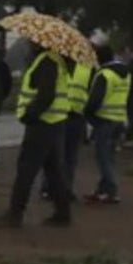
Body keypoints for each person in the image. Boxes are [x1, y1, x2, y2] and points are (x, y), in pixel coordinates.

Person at [0, 42, 73, 228]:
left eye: (33, 40)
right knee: (53, 171)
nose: (29, 43)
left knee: (26, 168)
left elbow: (46, 96)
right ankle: (62, 212)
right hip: (54, 122)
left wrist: (28, 115)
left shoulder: (46, 62)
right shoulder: (54, 60)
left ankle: (15, 213)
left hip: (42, 124)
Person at [84, 44, 131, 205]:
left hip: (104, 120)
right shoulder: (125, 74)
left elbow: (95, 100)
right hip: (119, 119)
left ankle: (111, 190)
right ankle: (102, 190)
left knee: (103, 158)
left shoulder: (104, 75)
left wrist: (88, 115)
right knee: (110, 157)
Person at [40, 57, 92, 198]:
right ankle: (59, 188)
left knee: (60, 154)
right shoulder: (85, 69)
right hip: (69, 115)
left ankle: (56, 188)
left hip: (67, 115)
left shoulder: (59, 66)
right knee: (65, 155)